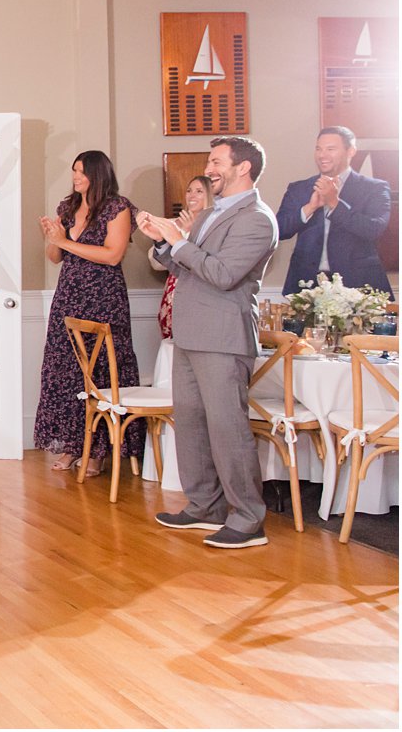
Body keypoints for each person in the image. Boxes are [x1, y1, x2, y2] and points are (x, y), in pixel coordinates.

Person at [139, 136, 279, 549]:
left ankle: (248, 519)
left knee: (227, 428)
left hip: (222, 334)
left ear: (244, 168)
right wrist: (163, 241)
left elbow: (222, 274)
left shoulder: (257, 219)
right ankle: (205, 506)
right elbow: (184, 267)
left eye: (217, 162)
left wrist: (179, 241)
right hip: (191, 330)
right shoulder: (211, 214)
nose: (209, 168)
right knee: (193, 425)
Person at [35, 152, 141, 477]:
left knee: (101, 372)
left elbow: (112, 255)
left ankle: (98, 451)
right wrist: (52, 238)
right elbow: (55, 257)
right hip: (68, 296)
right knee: (65, 369)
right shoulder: (68, 208)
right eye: (74, 171)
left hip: (103, 297)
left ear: (97, 173)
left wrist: (66, 242)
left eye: (81, 172)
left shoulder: (116, 207)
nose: (75, 177)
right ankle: (71, 445)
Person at [275, 126, 394, 297]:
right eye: (318, 149)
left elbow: (373, 229)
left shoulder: (374, 188)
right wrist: (310, 208)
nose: (322, 155)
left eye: (331, 149)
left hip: (358, 286)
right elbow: (279, 230)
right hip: (306, 285)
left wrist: (334, 204)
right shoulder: (299, 188)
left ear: (351, 151)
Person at [150, 176, 212, 340]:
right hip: (174, 287)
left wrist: (187, 234)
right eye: (189, 191)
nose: (192, 195)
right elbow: (156, 263)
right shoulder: (173, 224)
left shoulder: (214, 226)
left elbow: (205, 259)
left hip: (202, 290)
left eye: (199, 191)